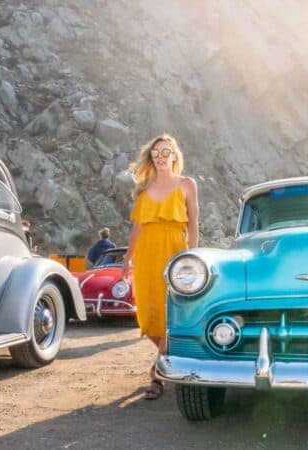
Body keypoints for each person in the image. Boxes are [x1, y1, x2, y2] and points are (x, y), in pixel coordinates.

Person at [122, 134, 199, 400]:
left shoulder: (187, 184)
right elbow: (138, 226)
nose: (160, 156)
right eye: (156, 152)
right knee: (149, 314)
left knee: (172, 313)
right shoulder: (145, 187)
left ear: (175, 155)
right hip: (146, 254)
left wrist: (192, 257)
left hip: (175, 251)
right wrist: (127, 258)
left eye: (166, 151)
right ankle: (168, 356)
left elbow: (193, 223)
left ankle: (156, 374)